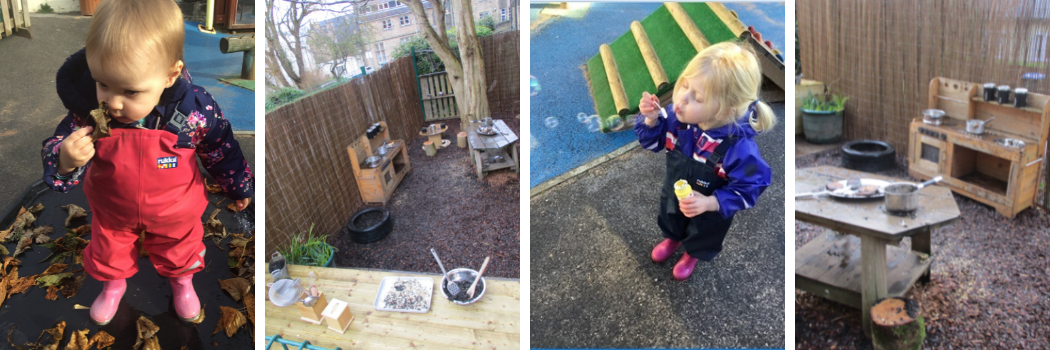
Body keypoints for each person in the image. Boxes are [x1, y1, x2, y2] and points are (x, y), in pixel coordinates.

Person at [41, 0, 253, 325]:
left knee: (181, 250)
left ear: (170, 75)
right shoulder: (89, 111)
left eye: (130, 91)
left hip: (175, 211)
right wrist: (65, 158)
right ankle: (113, 285)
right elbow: (57, 144)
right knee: (108, 251)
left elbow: (221, 147)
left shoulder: (194, 111)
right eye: (103, 84)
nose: (112, 102)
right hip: (113, 211)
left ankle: (182, 283)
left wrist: (238, 186)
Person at [634, 41, 775, 281]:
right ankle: (673, 238)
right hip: (675, 191)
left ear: (726, 111)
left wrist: (712, 203)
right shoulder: (676, 120)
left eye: (696, 97)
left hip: (709, 207)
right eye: (684, 85)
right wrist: (650, 120)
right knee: (672, 214)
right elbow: (652, 143)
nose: (680, 100)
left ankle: (692, 253)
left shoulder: (741, 150)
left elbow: (752, 186)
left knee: (704, 230)